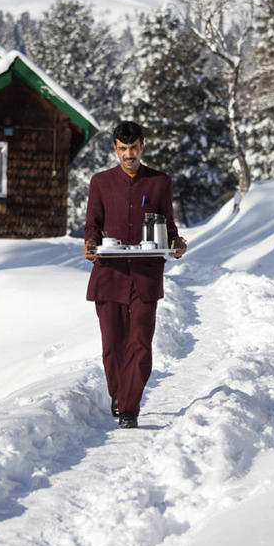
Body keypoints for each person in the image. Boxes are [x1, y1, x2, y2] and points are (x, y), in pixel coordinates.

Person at [83, 120, 187, 428]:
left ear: (142, 146)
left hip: (145, 274)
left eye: (134, 148)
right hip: (109, 272)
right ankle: (118, 392)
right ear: (115, 149)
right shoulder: (100, 182)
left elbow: (168, 225)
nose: (129, 154)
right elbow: (92, 225)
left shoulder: (159, 182)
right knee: (112, 345)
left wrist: (176, 243)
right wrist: (90, 243)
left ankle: (129, 407)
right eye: (123, 148)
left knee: (140, 343)